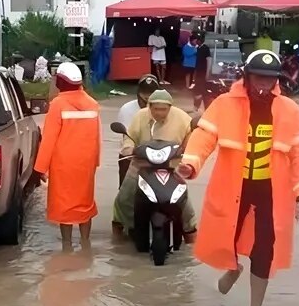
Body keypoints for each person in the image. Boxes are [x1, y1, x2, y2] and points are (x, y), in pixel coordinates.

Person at [176, 50, 299, 306]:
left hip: (271, 192)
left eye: (270, 79)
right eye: (258, 78)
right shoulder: (224, 104)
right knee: (226, 236)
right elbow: (204, 136)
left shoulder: (289, 110)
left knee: (264, 249)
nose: (264, 84)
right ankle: (232, 268)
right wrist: (191, 163)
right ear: (247, 76)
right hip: (233, 188)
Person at [115, 89, 198, 241]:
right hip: (141, 165)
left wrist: (187, 150)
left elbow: (191, 136)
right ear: (149, 106)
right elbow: (129, 137)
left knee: (185, 204)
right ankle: (121, 229)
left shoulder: (182, 118)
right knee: (123, 198)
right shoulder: (140, 116)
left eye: (163, 109)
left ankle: (191, 234)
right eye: (156, 109)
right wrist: (129, 148)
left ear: (170, 107)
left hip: (171, 167)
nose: (159, 113)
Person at [35, 62, 101, 245]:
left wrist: (41, 168)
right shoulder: (92, 104)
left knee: (65, 205)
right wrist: (95, 161)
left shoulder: (58, 105)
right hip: (86, 163)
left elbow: (49, 139)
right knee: (85, 202)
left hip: (63, 164)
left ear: (61, 82)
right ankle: (86, 244)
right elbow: (97, 137)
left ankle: (67, 246)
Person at [116, 75, 161, 189]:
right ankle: (124, 196)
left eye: (151, 92)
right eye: (144, 92)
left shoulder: (164, 109)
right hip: (133, 152)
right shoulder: (127, 109)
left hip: (158, 152)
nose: (147, 97)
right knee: (125, 158)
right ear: (138, 92)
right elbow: (127, 137)